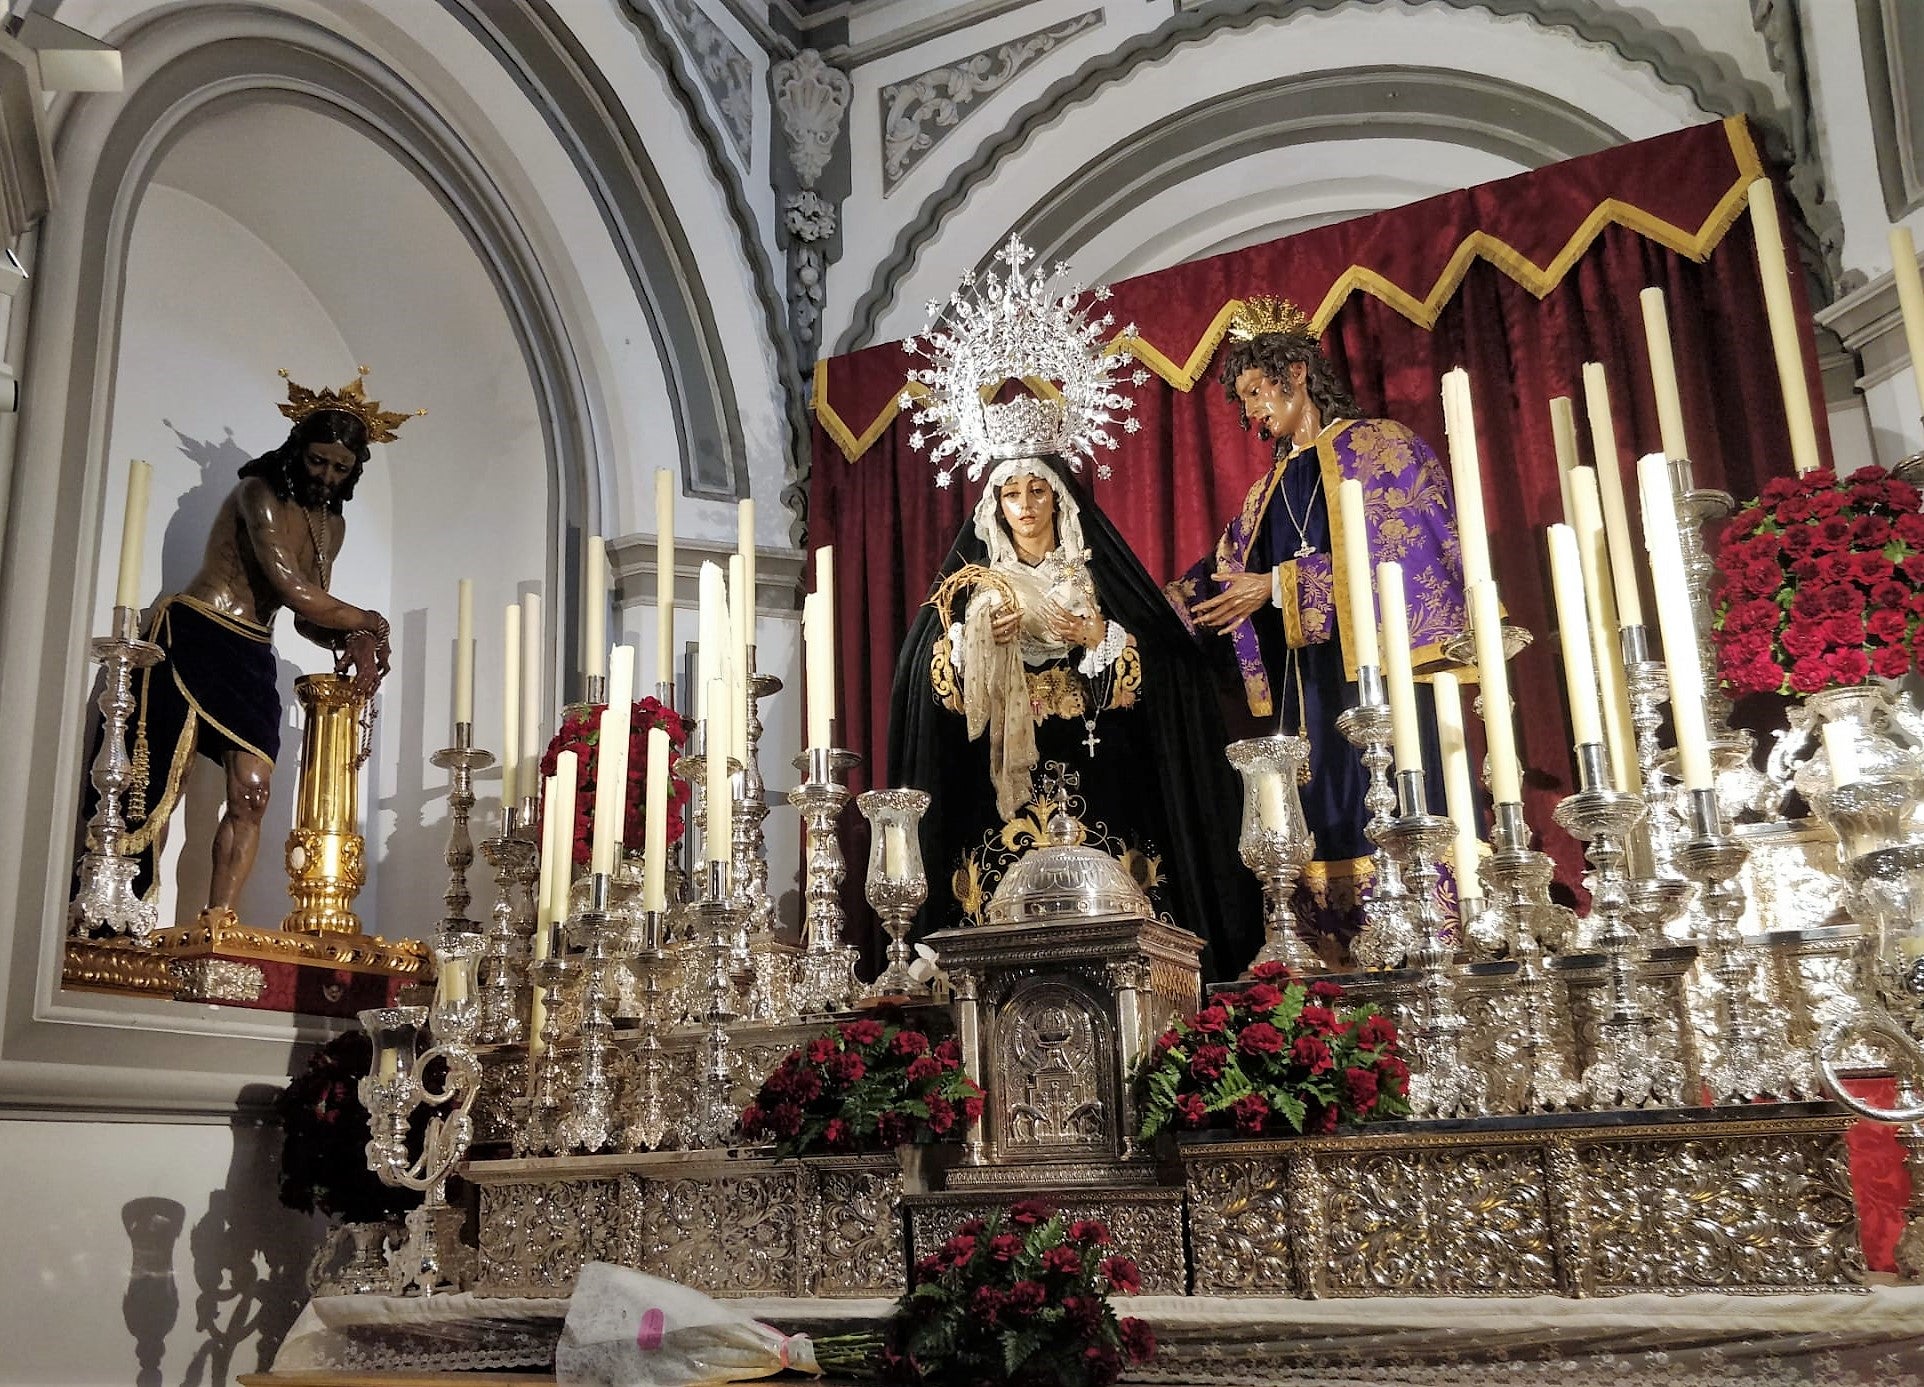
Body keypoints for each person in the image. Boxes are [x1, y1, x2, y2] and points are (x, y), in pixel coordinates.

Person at [1168, 299, 1466, 956]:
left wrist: (1278, 586)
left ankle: (1424, 946)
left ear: (1296, 372)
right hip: (1310, 703)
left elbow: (1404, 557)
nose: (1251, 413)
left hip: (1383, 689)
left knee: (1391, 815)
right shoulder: (1265, 490)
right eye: (1243, 400)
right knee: (1324, 824)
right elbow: (1225, 574)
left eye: (1256, 392)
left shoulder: (1380, 447)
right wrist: (1151, 611)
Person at [890, 452, 1259, 979]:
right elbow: (927, 683)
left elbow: (1165, 668)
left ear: (1059, 498)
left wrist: (1098, 638)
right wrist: (976, 645)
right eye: (1011, 493)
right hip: (999, 786)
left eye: (1037, 490)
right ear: (995, 504)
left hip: (1100, 766)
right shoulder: (974, 586)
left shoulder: (1096, 576)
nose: (1025, 506)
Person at [95, 370, 418, 918]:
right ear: (298, 449)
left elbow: (306, 617)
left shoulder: (329, 525)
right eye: (319, 460)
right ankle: (121, 911)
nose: (327, 475)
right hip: (196, 632)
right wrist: (371, 622)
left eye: (341, 468)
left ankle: (217, 921)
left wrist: (356, 635)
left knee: (253, 791)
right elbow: (292, 586)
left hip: (251, 651)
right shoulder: (258, 492)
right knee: (159, 784)